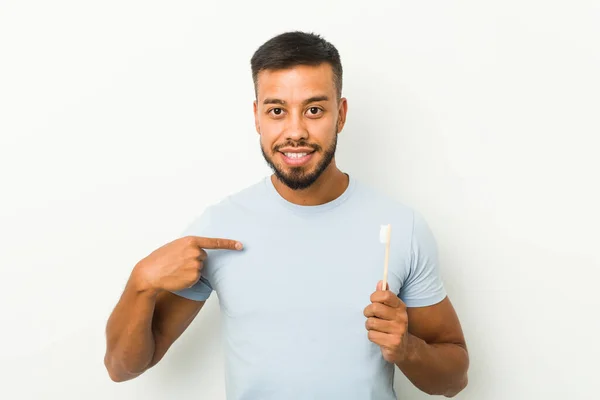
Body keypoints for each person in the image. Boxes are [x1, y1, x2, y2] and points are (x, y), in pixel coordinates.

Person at [103, 31, 469, 399]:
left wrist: (407, 348)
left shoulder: (400, 228)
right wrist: (141, 282)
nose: (295, 132)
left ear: (340, 115)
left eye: (314, 110)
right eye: (277, 111)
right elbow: (122, 367)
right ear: (257, 117)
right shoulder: (220, 228)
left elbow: (454, 380)